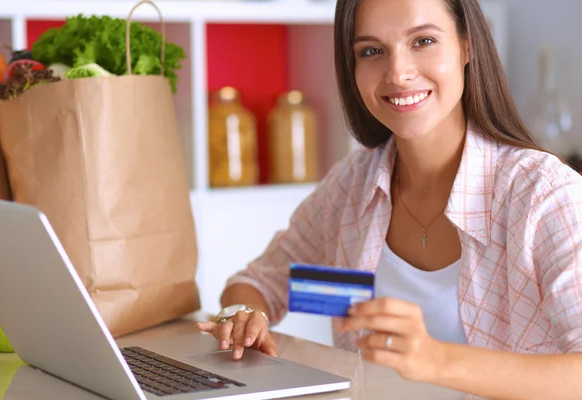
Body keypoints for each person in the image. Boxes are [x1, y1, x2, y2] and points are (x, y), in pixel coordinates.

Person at [197, 0, 582, 398]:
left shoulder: (544, 195)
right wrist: (242, 316)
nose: (398, 72)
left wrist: (435, 360)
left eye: (424, 40)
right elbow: (262, 284)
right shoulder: (353, 188)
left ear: (467, 46)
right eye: (372, 51)